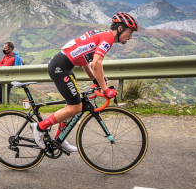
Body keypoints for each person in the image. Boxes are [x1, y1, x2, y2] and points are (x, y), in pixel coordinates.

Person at [31, 12, 138, 153]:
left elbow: (84, 61)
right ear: (120, 29)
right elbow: (96, 64)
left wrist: (95, 80)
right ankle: (39, 127)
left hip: (63, 66)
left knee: (71, 106)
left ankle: (59, 140)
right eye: (129, 32)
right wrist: (105, 89)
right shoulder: (108, 39)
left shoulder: (102, 35)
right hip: (60, 68)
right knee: (76, 108)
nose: (130, 37)